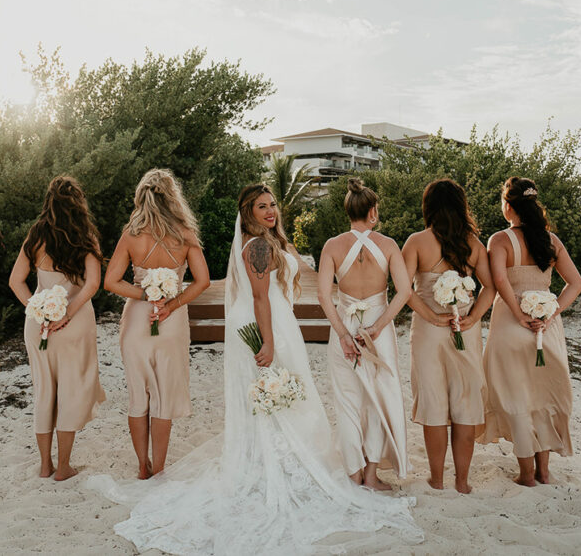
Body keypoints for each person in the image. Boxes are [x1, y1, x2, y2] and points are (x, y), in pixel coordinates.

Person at [88, 183, 423, 555]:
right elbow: (261, 297)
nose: (271, 211)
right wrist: (268, 341)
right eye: (262, 206)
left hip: (276, 321)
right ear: (247, 211)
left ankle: (283, 460)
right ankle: (279, 465)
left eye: (273, 204)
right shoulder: (258, 245)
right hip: (268, 325)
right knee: (278, 395)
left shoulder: (266, 241)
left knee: (279, 398)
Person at [103, 168, 210, 479]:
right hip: (172, 323)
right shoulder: (186, 235)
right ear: (173, 198)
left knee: (139, 395)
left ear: (141, 197)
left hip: (137, 320)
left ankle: (142, 467)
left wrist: (144, 294)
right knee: (162, 398)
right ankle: (160, 467)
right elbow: (201, 281)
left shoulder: (131, 236)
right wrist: (170, 304)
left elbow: (111, 282)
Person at [480, 177, 581, 486]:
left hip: (511, 325)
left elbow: (500, 281)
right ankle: (543, 472)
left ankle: (525, 474)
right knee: (541, 395)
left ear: (509, 206)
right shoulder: (551, 240)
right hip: (546, 329)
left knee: (516, 397)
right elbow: (576, 284)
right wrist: (550, 313)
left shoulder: (499, 240)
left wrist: (518, 313)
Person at [8, 175, 106, 481]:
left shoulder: (35, 236)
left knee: (44, 392)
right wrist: (66, 314)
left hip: (38, 327)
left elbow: (16, 282)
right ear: (79, 204)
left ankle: (45, 465)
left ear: (48, 202)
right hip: (74, 326)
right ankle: (64, 467)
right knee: (71, 392)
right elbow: (92, 284)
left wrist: (36, 309)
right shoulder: (85, 236)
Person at [401, 178, 495, 493]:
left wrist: (429, 315)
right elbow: (490, 288)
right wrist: (472, 318)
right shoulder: (474, 244)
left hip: (429, 331)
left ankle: (437, 479)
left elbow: (403, 290)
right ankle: (463, 482)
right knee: (466, 400)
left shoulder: (416, 241)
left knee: (433, 403)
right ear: (460, 206)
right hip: (464, 331)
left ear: (428, 207)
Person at [317, 177, 410, 491]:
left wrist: (343, 334)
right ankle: (370, 476)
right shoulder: (387, 245)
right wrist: (378, 326)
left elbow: (323, 297)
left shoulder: (332, 246)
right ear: (373, 212)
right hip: (376, 331)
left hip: (343, 325)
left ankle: (353, 474)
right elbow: (404, 292)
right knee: (377, 402)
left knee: (347, 402)